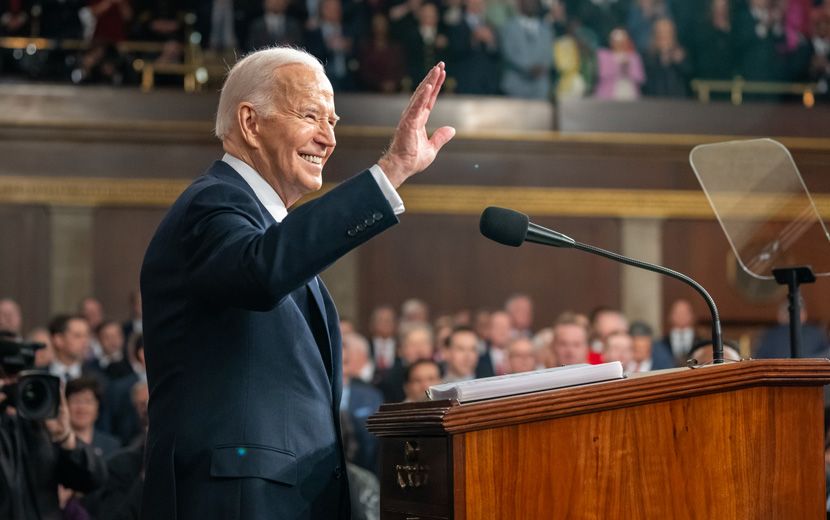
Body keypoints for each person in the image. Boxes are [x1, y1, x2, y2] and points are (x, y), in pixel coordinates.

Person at [139, 47, 454, 519]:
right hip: (238, 499)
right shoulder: (213, 204)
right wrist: (391, 171)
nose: (328, 138)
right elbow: (262, 270)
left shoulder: (257, 222)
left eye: (333, 121)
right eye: (311, 115)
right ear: (250, 122)